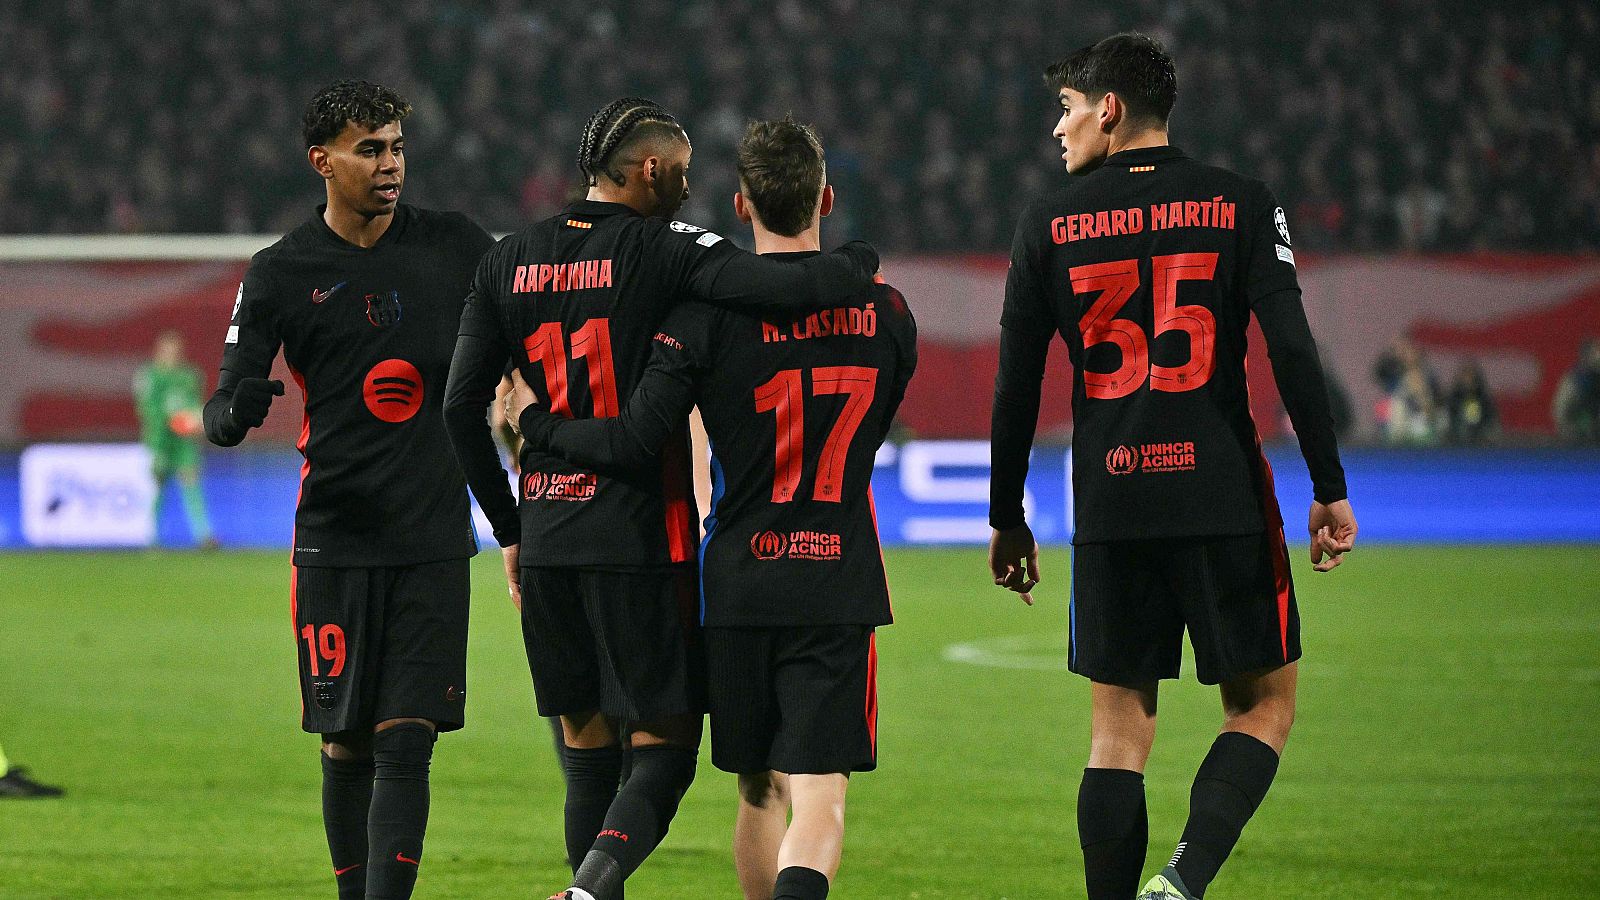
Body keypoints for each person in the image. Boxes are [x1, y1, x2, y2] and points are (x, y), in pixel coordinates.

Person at [442, 98, 879, 900]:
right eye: (680, 172)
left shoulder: (506, 260)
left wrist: (509, 529)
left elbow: (458, 406)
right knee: (664, 755)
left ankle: (584, 889)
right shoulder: (666, 247)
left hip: (547, 535)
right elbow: (782, 285)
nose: (688, 186)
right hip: (641, 535)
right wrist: (860, 261)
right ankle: (590, 890)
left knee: (586, 755)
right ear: (650, 169)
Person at [986, 34, 1357, 900]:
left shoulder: (1048, 223)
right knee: (1262, 705)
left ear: (1110, 110)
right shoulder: (1240, 203)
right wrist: (1328, 486)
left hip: (1112, 502)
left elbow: (1015, 385)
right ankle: (1183, 880)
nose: (1058, 129)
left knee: (1117, 735)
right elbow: (1292, 350)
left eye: (1067, 109)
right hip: (1221, 492)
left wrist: (1007, 517)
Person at [202, 80, 494, 900]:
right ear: (321, 161)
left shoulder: (458, 246)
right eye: (370, 149)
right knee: (346, 744)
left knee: (407, 740)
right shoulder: (279, 273)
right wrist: (234, 415)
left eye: (396, 147)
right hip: (335, 540)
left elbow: (528, 330)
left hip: (433, 537)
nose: (390, 164)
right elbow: (222, 405)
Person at [133, 330, 217, 549]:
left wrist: (195, 421)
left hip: (183, 440)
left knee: (191, 480)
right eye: (167, 350)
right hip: (160, 438)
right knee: (158, 484)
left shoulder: (190, 376)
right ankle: (151, 537)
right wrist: (164, 426)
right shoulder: (149, 376)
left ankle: (204, 536)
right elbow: (146, 409)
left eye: (175, 351)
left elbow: (195, 406)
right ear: (158, 352)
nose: (171, 355)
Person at [1553, 338, 1600, 442]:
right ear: (1584, 356)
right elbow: (1560, 409)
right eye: (1595, 353)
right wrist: (1567, 428)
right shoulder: (1573, 378)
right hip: (1576, 428)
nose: (1597, 356)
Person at [1445, 362, 1497, 445]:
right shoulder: (1454, 398)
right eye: (1465, 376)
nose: (1468, 379)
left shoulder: (1483, 398)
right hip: (1457, 438)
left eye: (1470, 376)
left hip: (1480, 437)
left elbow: (1490, 419)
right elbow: (1450, 418)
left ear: (1476, 378)